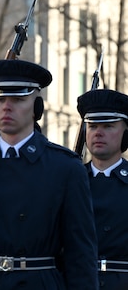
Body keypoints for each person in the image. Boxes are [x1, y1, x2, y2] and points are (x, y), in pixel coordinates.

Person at [0, 59, 99, 289]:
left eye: (18, 99)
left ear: (37, 107)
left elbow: (80, 255)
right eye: (0, 99)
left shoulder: (64, 168)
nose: (6, 106)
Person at [77, 89, 128, 289]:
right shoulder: (70, 182)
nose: (98, 133)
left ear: (126, 134)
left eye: (108, 126)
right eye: (92, 126)